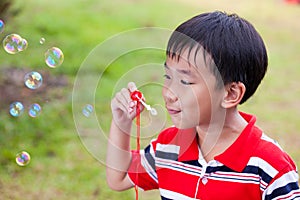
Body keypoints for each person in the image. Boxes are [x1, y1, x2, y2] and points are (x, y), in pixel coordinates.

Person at [106, 11, 300, 199]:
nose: (168, 93)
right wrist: (121, 124)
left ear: (231, 94)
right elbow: (119, 178)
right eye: (168, 76)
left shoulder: (269, 166)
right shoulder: (169, 147)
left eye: (185, 82)